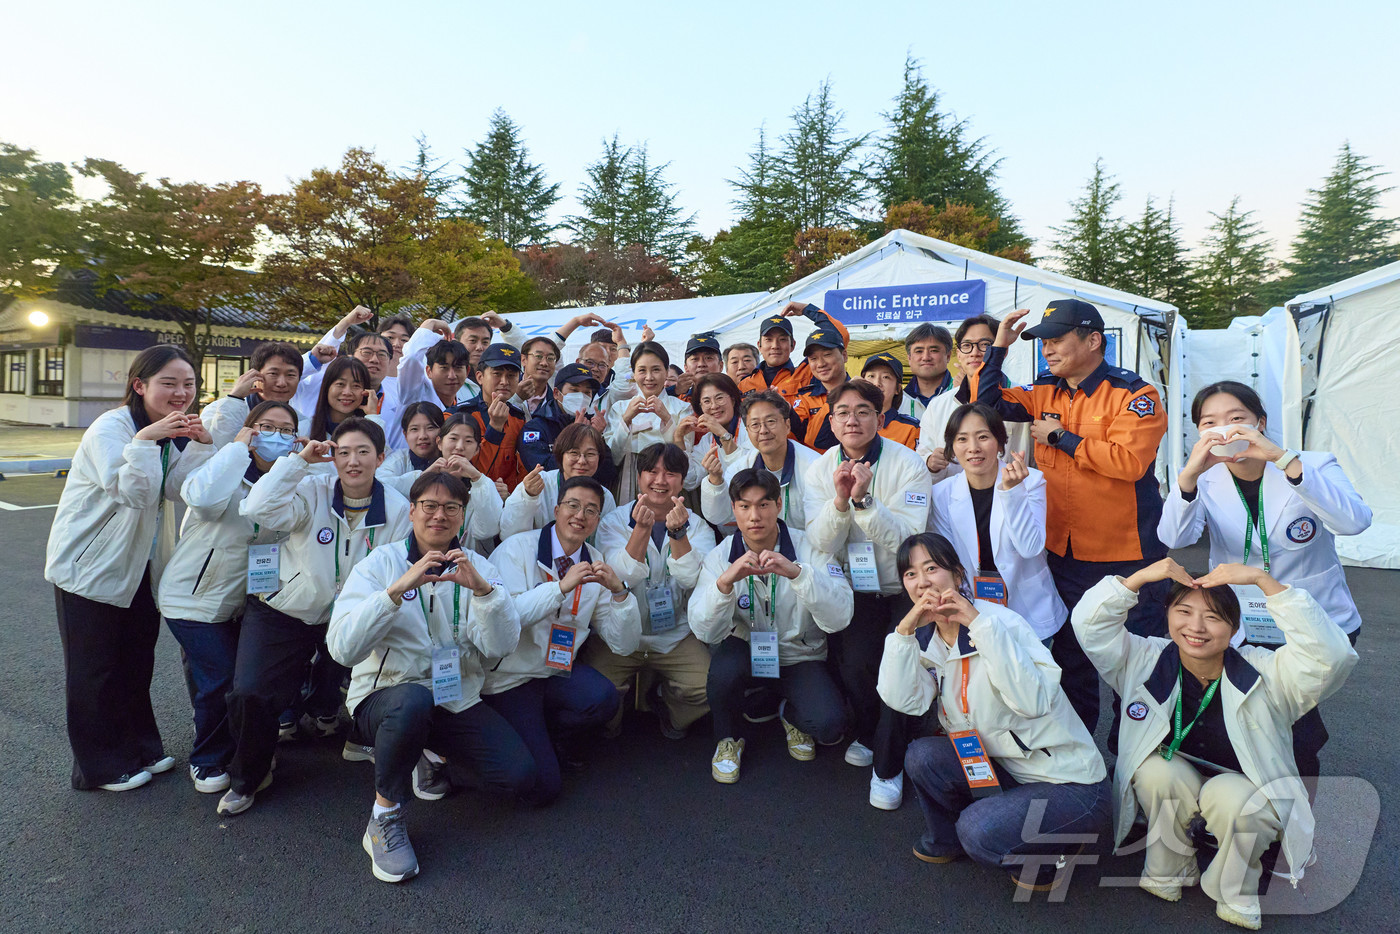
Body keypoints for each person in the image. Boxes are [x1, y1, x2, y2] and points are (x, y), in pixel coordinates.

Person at [1072, 559, 1357, 929]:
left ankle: (1235, 887)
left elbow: (1330, 658)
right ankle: (1171, 867)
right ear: (1168, 615)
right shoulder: (1143, 659)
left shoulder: (1265, 671)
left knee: (1232, 798)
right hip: (1180, 771)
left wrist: (1262, 580)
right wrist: (1138, 578)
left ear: (1234, 627)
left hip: (1243, 788)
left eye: (1213, 617)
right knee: (1153, 771)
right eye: (1184, 611)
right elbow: (1089, 625)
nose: (1195, 627)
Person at [974, 301, 1170, 733]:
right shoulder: (1044, 390)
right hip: (1061, 556)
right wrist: (999, 349)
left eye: (1057, 339)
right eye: (1043, 341)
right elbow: (983, 405)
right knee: (1070, 664)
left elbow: (1129, 462)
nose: (1047, 349)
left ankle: (1137, 763)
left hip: (1127, 557)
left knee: (1136, 666)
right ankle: (1078, 762)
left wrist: (1062, 437)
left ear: (1093, 340)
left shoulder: (1135, 394)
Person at [1159, 380, 1371, 777]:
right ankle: (1246, 806)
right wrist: (1187, 476)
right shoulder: (1204, 476)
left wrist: (1286, 461)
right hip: (1240, 619)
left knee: (1293, 721)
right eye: (1209, 422)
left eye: (1236, 418)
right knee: (1251, 714)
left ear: (1261, 421)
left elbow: (1354, 522)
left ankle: (1291, 815)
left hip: (1312, 617)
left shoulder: (1314, 464)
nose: (1224, 429)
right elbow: (1174, 537)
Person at [328, 471, 531, 883]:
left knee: (522, 777)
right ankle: (385, 817)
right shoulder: (380, 563)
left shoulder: (480, 566)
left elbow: (501, 646)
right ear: (412, 511)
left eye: (451, 508)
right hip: (386, 699)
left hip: (454, 698)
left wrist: (485, 594)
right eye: (430, 506)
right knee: (412, 704)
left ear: (462, 516)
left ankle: (427, 755)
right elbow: (342, 648)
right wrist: (395, 591)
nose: (439, 516)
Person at [881, 533, 1112, 893]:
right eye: (911, 574)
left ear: (958, 576)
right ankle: (947, 839)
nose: (922, 581)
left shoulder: (1001, 623)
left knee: (978, 829)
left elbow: (1031, 701)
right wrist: (903, 632)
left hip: (1068, 782)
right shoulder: (927, 639)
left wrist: (978, 624)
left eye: (932, 568)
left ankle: (1057, 845)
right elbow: (904, 701)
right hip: (1008, 765)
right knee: (922, 755)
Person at [46, 345, 216, 791]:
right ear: (139, 386)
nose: (181, 393)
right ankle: (99, 767)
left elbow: (178, 489)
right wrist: (144, 442)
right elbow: (134, 492)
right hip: (90, 565)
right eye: (169, 383)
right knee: (94, 669)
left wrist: (198, 447)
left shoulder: (165, 431)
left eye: (189, 384)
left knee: (136, 663)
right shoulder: (113, 427)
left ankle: (141, 747)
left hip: (141, 564)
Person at [224, 417, 412, 816]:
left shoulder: (397, 509)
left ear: (381, 458)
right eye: (343, 452)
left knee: (389, 671)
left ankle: (354, 731)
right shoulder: (311, 488)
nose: (353, 461)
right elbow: (255, 506)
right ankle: (251, 774)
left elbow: (397, 565)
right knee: (250, 691)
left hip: (348, 614)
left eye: (363, 452)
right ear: (331, 456)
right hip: (285, 606)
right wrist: (298, 463)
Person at [158, 401, 301, 794]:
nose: (275, 435)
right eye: (265, 427)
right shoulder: (227, 467)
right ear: (249, 430)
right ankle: (206, 759)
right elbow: (201, 501)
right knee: (219, 677)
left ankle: (243, 748)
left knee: (241, 683)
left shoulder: (290, 480)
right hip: (192, 599)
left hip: (243, 604)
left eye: (286, 430)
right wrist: (236, 448)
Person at [803, 379, 931, 809]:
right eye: (842, 412)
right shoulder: (820, 468)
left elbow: (911, 541)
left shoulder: (908, 463)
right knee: (856, 667)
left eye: (863, 411)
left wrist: (865, 504)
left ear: (880, 416)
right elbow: (820, 541)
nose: (852, 419)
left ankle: (888, 767)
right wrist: (839, 502)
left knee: (896, 669)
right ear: (831, 420)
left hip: (901, 587)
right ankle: (870, 733)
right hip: (853, 588)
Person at [689, 469, 853, 783]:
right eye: (745, 506)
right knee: (724, 670)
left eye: (764, 504)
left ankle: (788, 713)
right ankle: (728, 739)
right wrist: (724, 584)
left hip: (800, 657)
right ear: (733, 509)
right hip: (748, 652)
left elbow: (840, 618)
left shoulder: (811, 548)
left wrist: (799, 575)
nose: (755, 516)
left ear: (779, 505)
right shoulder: (720, 557)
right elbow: (704, 631)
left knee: (830, 725)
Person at [485, 477, 641, 804]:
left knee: (604, 699)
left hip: (555, 671)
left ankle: (553, 735)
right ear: (556, 510)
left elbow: (623, 644)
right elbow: (506, 619)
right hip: (511, 677)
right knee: (544, 787)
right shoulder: (517, 549)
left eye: (590, 510)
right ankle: (459, 765)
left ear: (597, 520)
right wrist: (559, 588)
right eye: (572, 505)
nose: (580, 515)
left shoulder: (595, 561)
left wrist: (620, 594)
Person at [593, 443, 717, 738]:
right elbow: (618, 578)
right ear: (639, 477)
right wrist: (640, 530)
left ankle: (670, 710)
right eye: (652, 471)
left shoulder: (698, 526)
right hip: (621, 636)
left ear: (683, 480)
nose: (660, 481)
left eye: (671, 473)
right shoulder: (612, 523)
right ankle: (613, 721)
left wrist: (678, 534)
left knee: (707, 688)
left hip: (675, 635)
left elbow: (691, 579)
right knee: (596, 694)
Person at [931, 404, 1066, 646]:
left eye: (983, 437)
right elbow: (948, 560)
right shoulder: (941, 494)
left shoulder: (1031, 481)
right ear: (952, 447)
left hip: (1029, 609)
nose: (973, 448)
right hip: (973, 610)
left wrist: (1012, 493)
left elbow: (1030, 547)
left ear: (1001, 443)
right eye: (962, 439)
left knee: (1032, 682)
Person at [700, 390, 820, 535]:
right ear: (747, 430)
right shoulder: (740, 468)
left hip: (806, 549)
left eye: (770, 421)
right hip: (758, 548)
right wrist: (715, 481)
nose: (763, 430)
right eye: (755, 425)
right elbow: (718, 516)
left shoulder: (814, 467)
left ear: (787, 425)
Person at [605, 340, 690, 502]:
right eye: (642, 370)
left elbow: (684, 458)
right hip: (627, 478)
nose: (649, 378)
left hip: (668, 481)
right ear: (634, 373)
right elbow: (613, 457)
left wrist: (666, 418)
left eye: (656, 370)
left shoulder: (682, 408)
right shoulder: (620, 408)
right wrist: (626, 419)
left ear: (666, 372)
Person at [501, 424, 617, 538]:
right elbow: (509, 533)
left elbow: (607, 543)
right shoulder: (540, 484)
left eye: (590, 454)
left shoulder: (605, 497)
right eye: (574, 453)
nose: (582, 461)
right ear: (561, 455)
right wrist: (528, 496)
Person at [447, 343, 527, 493]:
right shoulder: (457, 416)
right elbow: (462, 470)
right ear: (480, 377)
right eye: (497, 373)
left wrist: (512, 495)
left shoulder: (519, 418)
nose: (504, 381)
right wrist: (495, 428)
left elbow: (520, 470)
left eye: (511, 375)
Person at [738, 301, 849, 405]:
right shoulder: (745, 384)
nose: (775, 346)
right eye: (768, 340)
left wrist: (807, 310)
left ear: (793, 345)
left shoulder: (807, 372)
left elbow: (839, 336)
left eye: (782, 339)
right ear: (759, 346)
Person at [203, 341, 307, 447]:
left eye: (290, 375)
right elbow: (214, 450)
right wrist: (234, 398)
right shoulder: (219, 410)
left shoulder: (303, 423)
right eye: (273, 374)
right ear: (254, 375)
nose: (281, 383)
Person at [518, 363, 607, 475]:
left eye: (587, 393)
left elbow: (607, 474)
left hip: (586, 490)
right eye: (574, 390)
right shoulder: (535, 428)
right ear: (556, 393)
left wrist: (598, 437)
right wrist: (574, 437)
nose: (581, 397)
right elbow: (543, 470)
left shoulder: (591, 425)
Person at [672, 372, 751, 490]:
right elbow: (690, 480)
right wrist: (679, 439)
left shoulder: (750, 428)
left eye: (719, 398)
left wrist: (723, 434)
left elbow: (748, 474)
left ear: (733, 400)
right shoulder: (707, 440)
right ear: (701, 407)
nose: (714, 406)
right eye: (707, 401)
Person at [791, 324, 852, 451]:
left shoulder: (862, 393)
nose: (820, 364)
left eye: (827, 354)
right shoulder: (805, 398)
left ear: (844, 355)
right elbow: (805, 441)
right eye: (813, 359)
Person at [307, 356, 377, 443]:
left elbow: (383, 453)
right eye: (340, 384)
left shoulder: (370, 428)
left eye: (356, 386)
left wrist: (373, 416)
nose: (347, 392)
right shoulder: (305, 429)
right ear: (327, 387)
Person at [860, 353, 922, 451]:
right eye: (871, 376)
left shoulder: (910, 429)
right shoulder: (849, 423)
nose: (877, 383)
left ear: (897, 388)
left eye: (886, 377)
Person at [898, 324, 956, 421]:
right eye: (919, 351)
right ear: (909, 358)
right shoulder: (898, 400)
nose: (926, 357)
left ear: (948, 356)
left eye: (933, 350)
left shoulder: (962, 393)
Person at [380, 402, 444, 478]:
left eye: (430, 428)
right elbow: (382, 482)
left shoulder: (452, 456)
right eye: (414, 429)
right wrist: (423, 475)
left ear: (442, 431)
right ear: (405, 435)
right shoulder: (398, 461)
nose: (422, 436)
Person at [515, 336, 559, 417]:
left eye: (550, 358)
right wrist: (516, 398)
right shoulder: (507, 389)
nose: (544, 363)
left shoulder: (557, 401)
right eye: (538, 356)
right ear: (524, 359)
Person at [678, 331, 724, 402]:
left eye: (708, 358)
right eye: (695, 359)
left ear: (721, 366)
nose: (701, 364)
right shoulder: (678, 402)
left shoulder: (734, 396)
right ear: (686, 367)